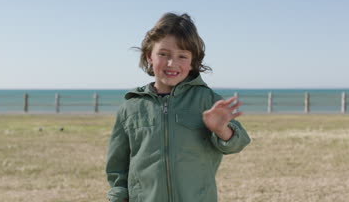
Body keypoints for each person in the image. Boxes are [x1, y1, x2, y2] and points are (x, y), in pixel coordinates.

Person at [105, 12, 251, 202]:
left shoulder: (207, 101)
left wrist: (221, 130)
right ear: (149, 55)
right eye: (163, 54)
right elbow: (117, 166)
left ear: (192, 62)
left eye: (182, 56)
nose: (172, 63)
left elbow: (238, 143)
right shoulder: (131, 106)